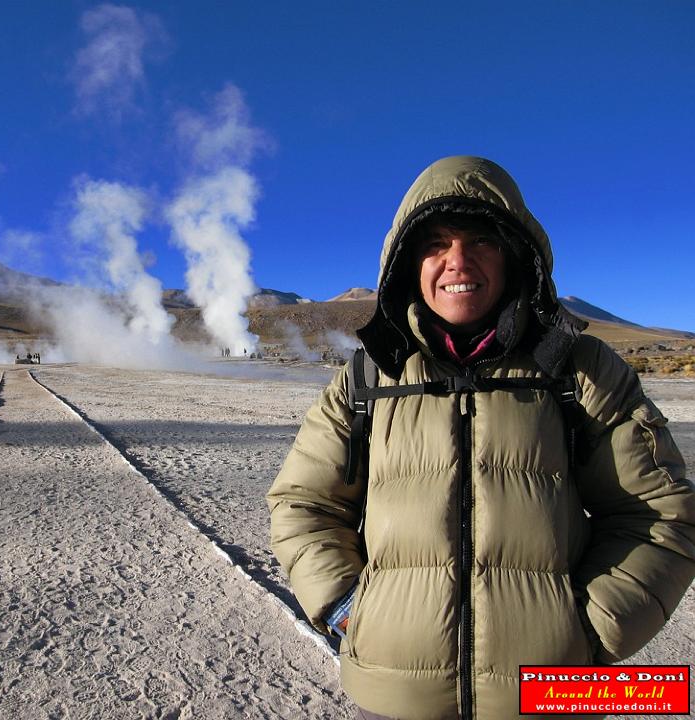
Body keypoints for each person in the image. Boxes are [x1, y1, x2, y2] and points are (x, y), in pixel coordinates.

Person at [266, 156, 695, 720]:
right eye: (435, 243)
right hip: (396, 695)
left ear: (516, 254)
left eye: (481, 241)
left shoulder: (579, 368)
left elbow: (659, 515)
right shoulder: (369, 376)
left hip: (550, 696)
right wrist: (351, 609)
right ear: (406, 264)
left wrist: (589, 634)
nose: (457, 261)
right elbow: (303, 505)